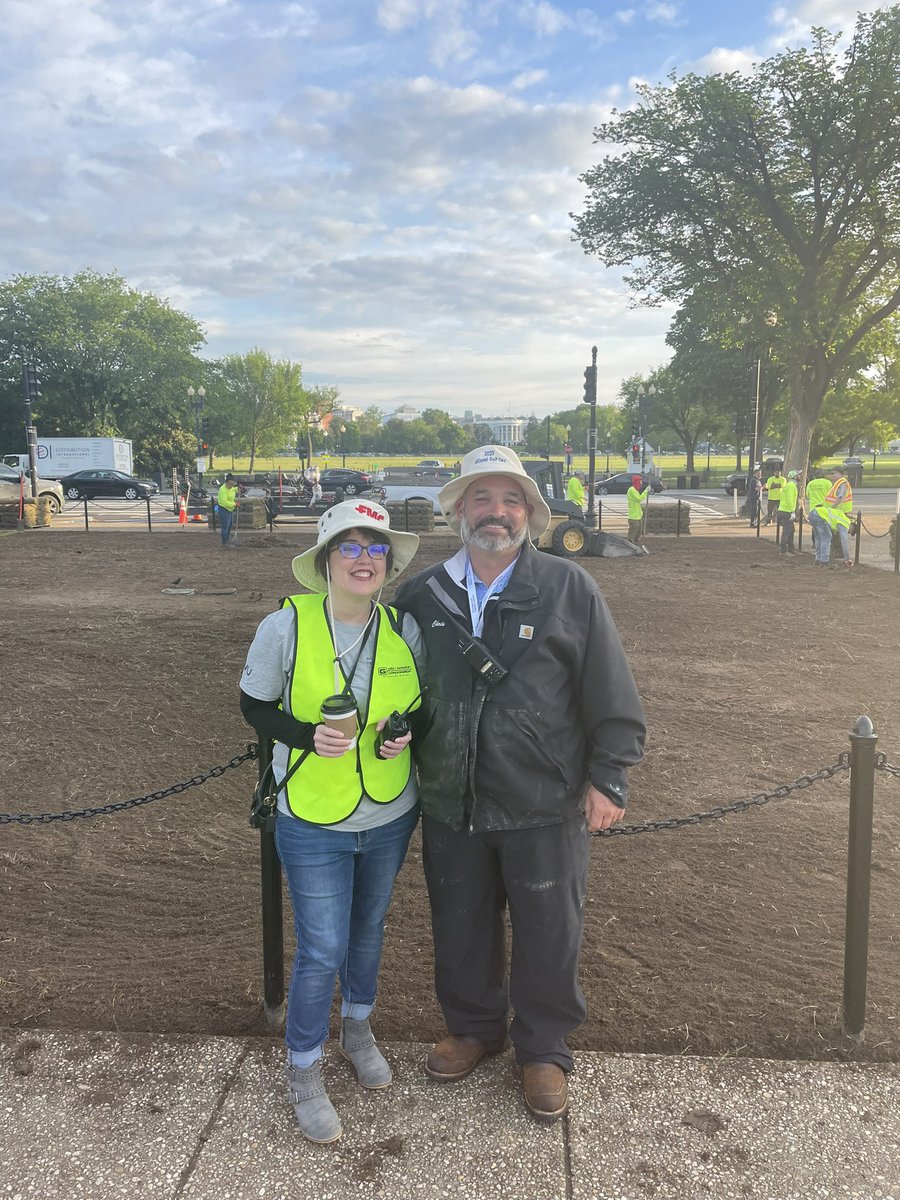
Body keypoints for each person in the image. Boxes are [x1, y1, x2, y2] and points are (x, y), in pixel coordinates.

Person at [395, 445, 645, 1125]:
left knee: (548, 929)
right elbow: (391, 686)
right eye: (482, 498)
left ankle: (543, 1048)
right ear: (458, 510)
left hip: (545, 800)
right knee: (460, 924)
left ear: (531, 513)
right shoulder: (419, 595)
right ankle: (474, 1028)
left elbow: (609, 688)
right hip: (452, 799)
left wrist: (610, 776)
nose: (496, 512)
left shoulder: (569, 588)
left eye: (510, 500)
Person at [239, 499, 424, 1144]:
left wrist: (405, 736)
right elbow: (253, 706)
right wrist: (304, 736)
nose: (365, 558)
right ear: (325, 561)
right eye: (350, 546)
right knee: (321, 947)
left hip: (391, 811)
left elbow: (419, 710)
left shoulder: (403, 627)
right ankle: (304, 1069)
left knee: (368, 929)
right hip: (312, 817)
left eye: (375, 547)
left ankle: (359, 1030)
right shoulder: (284, 626)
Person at [823, 466, 855, 568]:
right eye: (831, 473)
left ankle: (842, 554)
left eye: (833, 473)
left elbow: (839, 498)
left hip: (839, 513)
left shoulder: (842, 483)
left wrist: (830, 508)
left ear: (840, 474)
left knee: (840, 534)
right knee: (837, 533)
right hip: (836, 512)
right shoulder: (837, 484)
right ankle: (838, 553)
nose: (831, 475)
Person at [804, 472, 832, 562]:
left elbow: (807, 495)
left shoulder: (811, 483)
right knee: (826, 536)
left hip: (813, 511)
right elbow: (832, 495)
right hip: (823, 511)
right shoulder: (828, 483)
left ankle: (818, 557)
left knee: (818, 536)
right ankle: (824, 559)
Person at [778, 469, 801, 555]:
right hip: (786, 511)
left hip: (784, 510)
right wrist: (792, 512)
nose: (800, 476)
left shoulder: (789, 485)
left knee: (790, 530)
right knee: (787, 531)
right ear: (795, 477)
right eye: (798, 475)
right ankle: (784, 551)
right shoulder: (791, 486)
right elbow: (790, 500)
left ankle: (791, 549)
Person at [626, 474, 651, 553]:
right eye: (640, 481)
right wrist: (646, 491)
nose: (641, 483)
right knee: (633, 533)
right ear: (636, 482)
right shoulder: (631, 490)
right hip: (633, 517)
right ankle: (630, 547)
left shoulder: (635, 490)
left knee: (638, 533)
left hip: (638, 516)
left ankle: (636, 548)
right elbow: (639, 499)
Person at [217, 474, 239, 547]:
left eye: (232, 484)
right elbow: (224, 502)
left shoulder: (230, 488)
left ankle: (227, 539)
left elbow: (233, 489)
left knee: (230, 526)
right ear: (226, 482)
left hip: (230, 510)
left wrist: (238, 489)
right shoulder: (222, 490)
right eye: (230, 484)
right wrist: (234, 504)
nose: (231, 486)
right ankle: (224, 542)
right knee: (225, 526)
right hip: (224, 509)